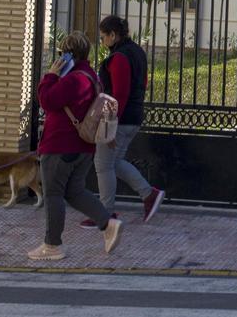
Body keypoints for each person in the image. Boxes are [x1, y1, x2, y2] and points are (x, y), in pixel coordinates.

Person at [31, 31, 123, 261]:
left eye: (62, 53)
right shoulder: (92, 77)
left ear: (68, 55)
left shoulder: (73, 80)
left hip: (60, 146)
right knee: (75, 192)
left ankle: (52, 245)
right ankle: (108, 223)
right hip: (83, 148)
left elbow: (46, 100)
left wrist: (50, 76)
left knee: (53, 194)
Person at [83, 15, 164, 227]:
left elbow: (120, 94)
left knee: (102, 164)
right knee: (114, 162)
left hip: (119, 119)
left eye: (103, 37)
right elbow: (142, 84)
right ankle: (149, 194)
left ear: (113, 35)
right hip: (133, 117)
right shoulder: (137, 52)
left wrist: (110, 125)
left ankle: (105, 214)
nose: (102, 42)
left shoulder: (119, 57)